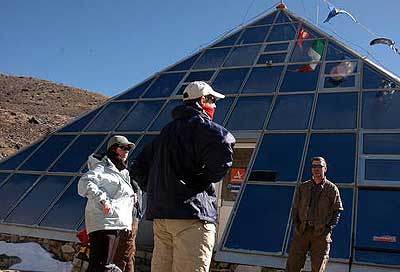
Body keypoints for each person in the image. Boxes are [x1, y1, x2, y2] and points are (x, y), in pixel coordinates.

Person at [130, 81, 236, 272]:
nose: (215, 105)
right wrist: (198, 182)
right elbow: (225, 141)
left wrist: (159, 190)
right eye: (212, 100)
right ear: (202, 100)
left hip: (162, 219)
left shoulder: (165, 133)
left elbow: (137, 168)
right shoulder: (204, 128)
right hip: (192, 217)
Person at [78, 135, 136, 272]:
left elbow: (117, 192)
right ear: (113, 150)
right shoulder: (102, 169)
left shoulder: (120, 172)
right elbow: (85, 183)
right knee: (103, 266)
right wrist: (103, 200)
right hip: (104, 223)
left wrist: (132, 197)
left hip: (113, 223)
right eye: (123, 147)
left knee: (100, 265)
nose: (126, 151)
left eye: (128, 148)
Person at [286, 157, 344, 272]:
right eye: (314, 166)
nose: (316, 169)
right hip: (302, 232)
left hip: (320, 234)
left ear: (325, 168)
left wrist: (327, 229)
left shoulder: (331, 189)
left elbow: (337, 210)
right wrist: (297, 225)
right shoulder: (303, 187)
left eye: (319, 166)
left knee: (318, 268)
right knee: (292, 266)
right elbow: (295, 208)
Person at [113, 173, 143, 272]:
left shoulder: (126, 175)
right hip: (127, 215)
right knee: (125, 254)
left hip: (127, 216)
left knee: (123, 255)